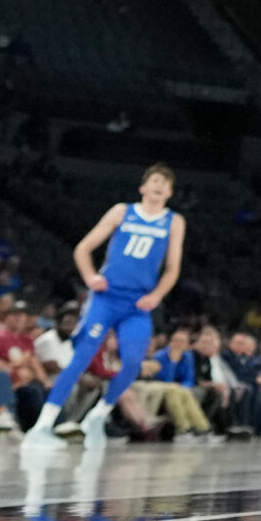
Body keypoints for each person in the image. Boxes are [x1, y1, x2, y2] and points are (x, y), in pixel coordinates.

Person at [25, 164, 182, 449]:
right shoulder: (122, 211)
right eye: (154, 180)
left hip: (138, 304)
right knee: (81, 358)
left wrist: (157, 295)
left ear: (169, 193)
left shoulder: (174, 222)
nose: (159, 186)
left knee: (133, 361)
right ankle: (42, 426)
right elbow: (83, 248)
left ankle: (97, 416)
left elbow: (172, 269)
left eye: (165, 183)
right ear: (143, 188)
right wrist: (90, 277)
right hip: (107, 298)